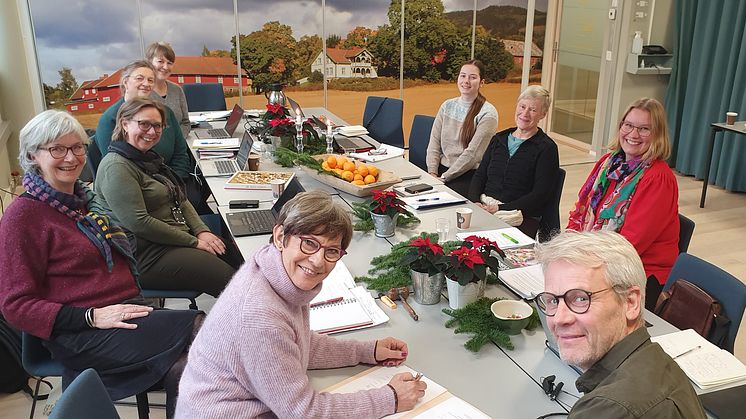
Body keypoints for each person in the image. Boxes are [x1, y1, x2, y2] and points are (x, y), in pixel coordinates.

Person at [0, 110, 203, 419]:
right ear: (33, 155)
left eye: (78, 147)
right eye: (57, 149)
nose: (71, 157)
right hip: (82, 334)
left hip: (125, 312)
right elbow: (16, 305)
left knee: (189, 368)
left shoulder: (84, 203)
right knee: (207, 328)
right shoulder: (22, 218)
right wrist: (91, 316)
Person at [177, 191, 427, 418]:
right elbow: (304, 412)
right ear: (280, 236)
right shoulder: (260, 315)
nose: (318, 261)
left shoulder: (273, 271)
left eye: (332, 251)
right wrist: (391, 398)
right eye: (309, 242)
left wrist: (366, 351)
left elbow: (295, 343)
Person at [535, 231, 706, 418]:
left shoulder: (612, 409)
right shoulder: (658, 363)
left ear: (630, 303)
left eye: (580, 298)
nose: (559, 318)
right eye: (552, 300)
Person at [94, 97, 235, 297]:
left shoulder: (147, 158)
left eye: (158, 126)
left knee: (241, 260)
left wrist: (201, 230)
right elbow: (140, 222)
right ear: (125, 124)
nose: (151, 132)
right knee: (233, 283)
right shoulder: (117, 167)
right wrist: (193, 242)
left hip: (170, 239)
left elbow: (180, 198)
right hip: (145, 254)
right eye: (144, 124)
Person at [566, 98, 678, 310]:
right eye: (628, 125)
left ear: (657, 134)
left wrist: (582, 262)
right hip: (598, 257)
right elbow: (580, 215)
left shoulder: (658, 178)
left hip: (637, 272)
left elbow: (630, 243)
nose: (633, 135)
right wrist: (569, 248)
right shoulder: (608, 164)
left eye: (644, 129)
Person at [95, 60, 211, 214]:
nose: (146, 83)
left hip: (173, 179)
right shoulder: (109, 119)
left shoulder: (165, 112)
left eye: (151, 80)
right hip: (143, 191)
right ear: (125, 82)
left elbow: (180, 152)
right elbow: (117, 168)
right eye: (139, 78)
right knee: (197, 208)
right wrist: (161, 189)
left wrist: (174, 182)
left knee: (203, 193)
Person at [468, 85, 559, 238]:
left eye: (533, 110)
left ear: (542, 114)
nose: (525, 113)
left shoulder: (547, 148)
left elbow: (540, 195)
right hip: (485, 206)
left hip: (519, 215)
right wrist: (476, 202)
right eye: (522, 106)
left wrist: (499, 208)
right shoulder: (499, 139)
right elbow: (480, 175)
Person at [426, 60, 498, 197]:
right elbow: (434, 143)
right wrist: (432, 173)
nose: (466, 81)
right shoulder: (447, 106)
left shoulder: (488, 113)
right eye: (463, 75)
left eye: (473, 77)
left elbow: (472, 155)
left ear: (481, 83)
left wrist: (444, 178)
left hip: (468, 175)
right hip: (441, 171)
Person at [146, 41, 190, 137]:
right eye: (160, 61)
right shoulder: (143, 92)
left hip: (179, 146)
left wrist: (177, 141)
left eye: (169, 63)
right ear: (149, 62)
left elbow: (185, 123)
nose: (165, 67)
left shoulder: (177, 90)